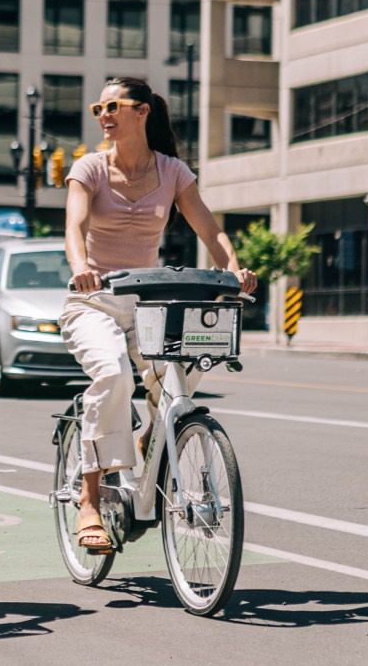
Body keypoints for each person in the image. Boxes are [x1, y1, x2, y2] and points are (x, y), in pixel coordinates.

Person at [59, 76, 257, 554]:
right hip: (95, 298)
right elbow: (75, 224)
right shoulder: (89, 168)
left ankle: (148, 439)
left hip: (149, 301)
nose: (104, 115)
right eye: (98, 108)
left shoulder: (172, 172)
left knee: (180, 377)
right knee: (112, 374)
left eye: (114, 106)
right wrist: (82, 267)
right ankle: (89, 498)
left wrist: (233, 271)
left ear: (143, 112)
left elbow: (211, 231)